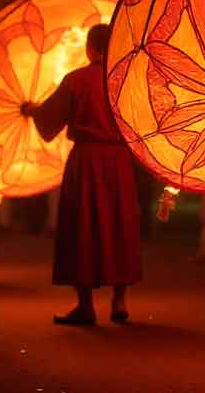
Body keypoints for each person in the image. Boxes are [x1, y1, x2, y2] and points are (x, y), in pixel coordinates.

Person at [23, 24, 142, 326]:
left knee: (82, 227)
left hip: (86, 162)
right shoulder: (126, 80)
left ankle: (85, 305)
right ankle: (120, 302)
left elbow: (50, 121)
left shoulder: (75, 80)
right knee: (119, 226)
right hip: (118, 162)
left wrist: (33, 109)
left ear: (90, 49)